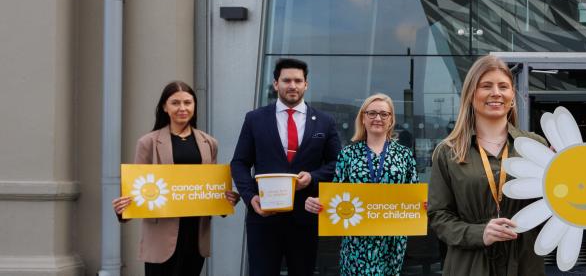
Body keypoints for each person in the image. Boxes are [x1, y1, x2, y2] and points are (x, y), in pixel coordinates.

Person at [428, 55, 548, 275]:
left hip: (523, 262)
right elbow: (439, 215)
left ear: (512, 96)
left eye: (503, 86)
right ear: (472, 95)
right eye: (486, 86)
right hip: (469, 264)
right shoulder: (448, 152)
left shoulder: (534, 146)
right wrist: (478, 233)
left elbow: (554, 206)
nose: (496, 93)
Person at [111, 81, 239, 276]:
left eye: (188, 103)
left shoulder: (209, 143)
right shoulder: (148, 142)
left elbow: (211, 187)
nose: (182, 108)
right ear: (164, 107)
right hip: (161, 235)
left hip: (195, 233)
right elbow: (136, 188)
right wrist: (123, 209)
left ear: (194, 107)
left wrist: (226, 200)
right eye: (175, 103)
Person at [231, 58, 342, 276]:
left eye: (298, 81)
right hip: (263, 217)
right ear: (275, 84)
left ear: (306, 85)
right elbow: (239, 163)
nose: (292, 85)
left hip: (305, 218)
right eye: (286, 80)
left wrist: (312, 177)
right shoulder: (255, 119)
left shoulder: (324, 121)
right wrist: (250, 197)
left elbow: (338, 163)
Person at [304, 93, 418, 275]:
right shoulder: (348, 154)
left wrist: (424, 205)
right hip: (356, 241)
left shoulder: (404, 154)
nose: (378, 118)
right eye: (371, 113)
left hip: (392, 241)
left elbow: (413, 195)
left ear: (391, 120)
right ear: (363, 118)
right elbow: (336, 195)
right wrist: (317, 203)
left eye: (384, 114)